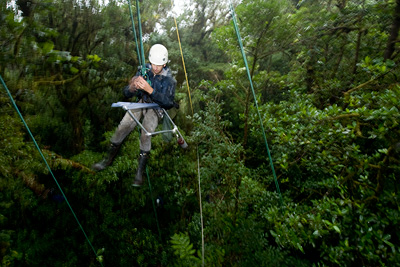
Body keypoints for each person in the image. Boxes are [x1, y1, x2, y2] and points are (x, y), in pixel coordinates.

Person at [92, 44, 176, 187]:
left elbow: (168, 102)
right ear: (150, 61)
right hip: (141, 102)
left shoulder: (169, 80)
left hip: (156, 107)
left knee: (146, 132)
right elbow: (126, 93)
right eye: (153, 64)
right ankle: (107, 160)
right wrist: (132, 87)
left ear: (165, 63)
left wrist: (151, 90)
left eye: (159, 65)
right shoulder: (143, 71)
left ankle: (139, 172)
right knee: (123, 126)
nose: (155, 68)